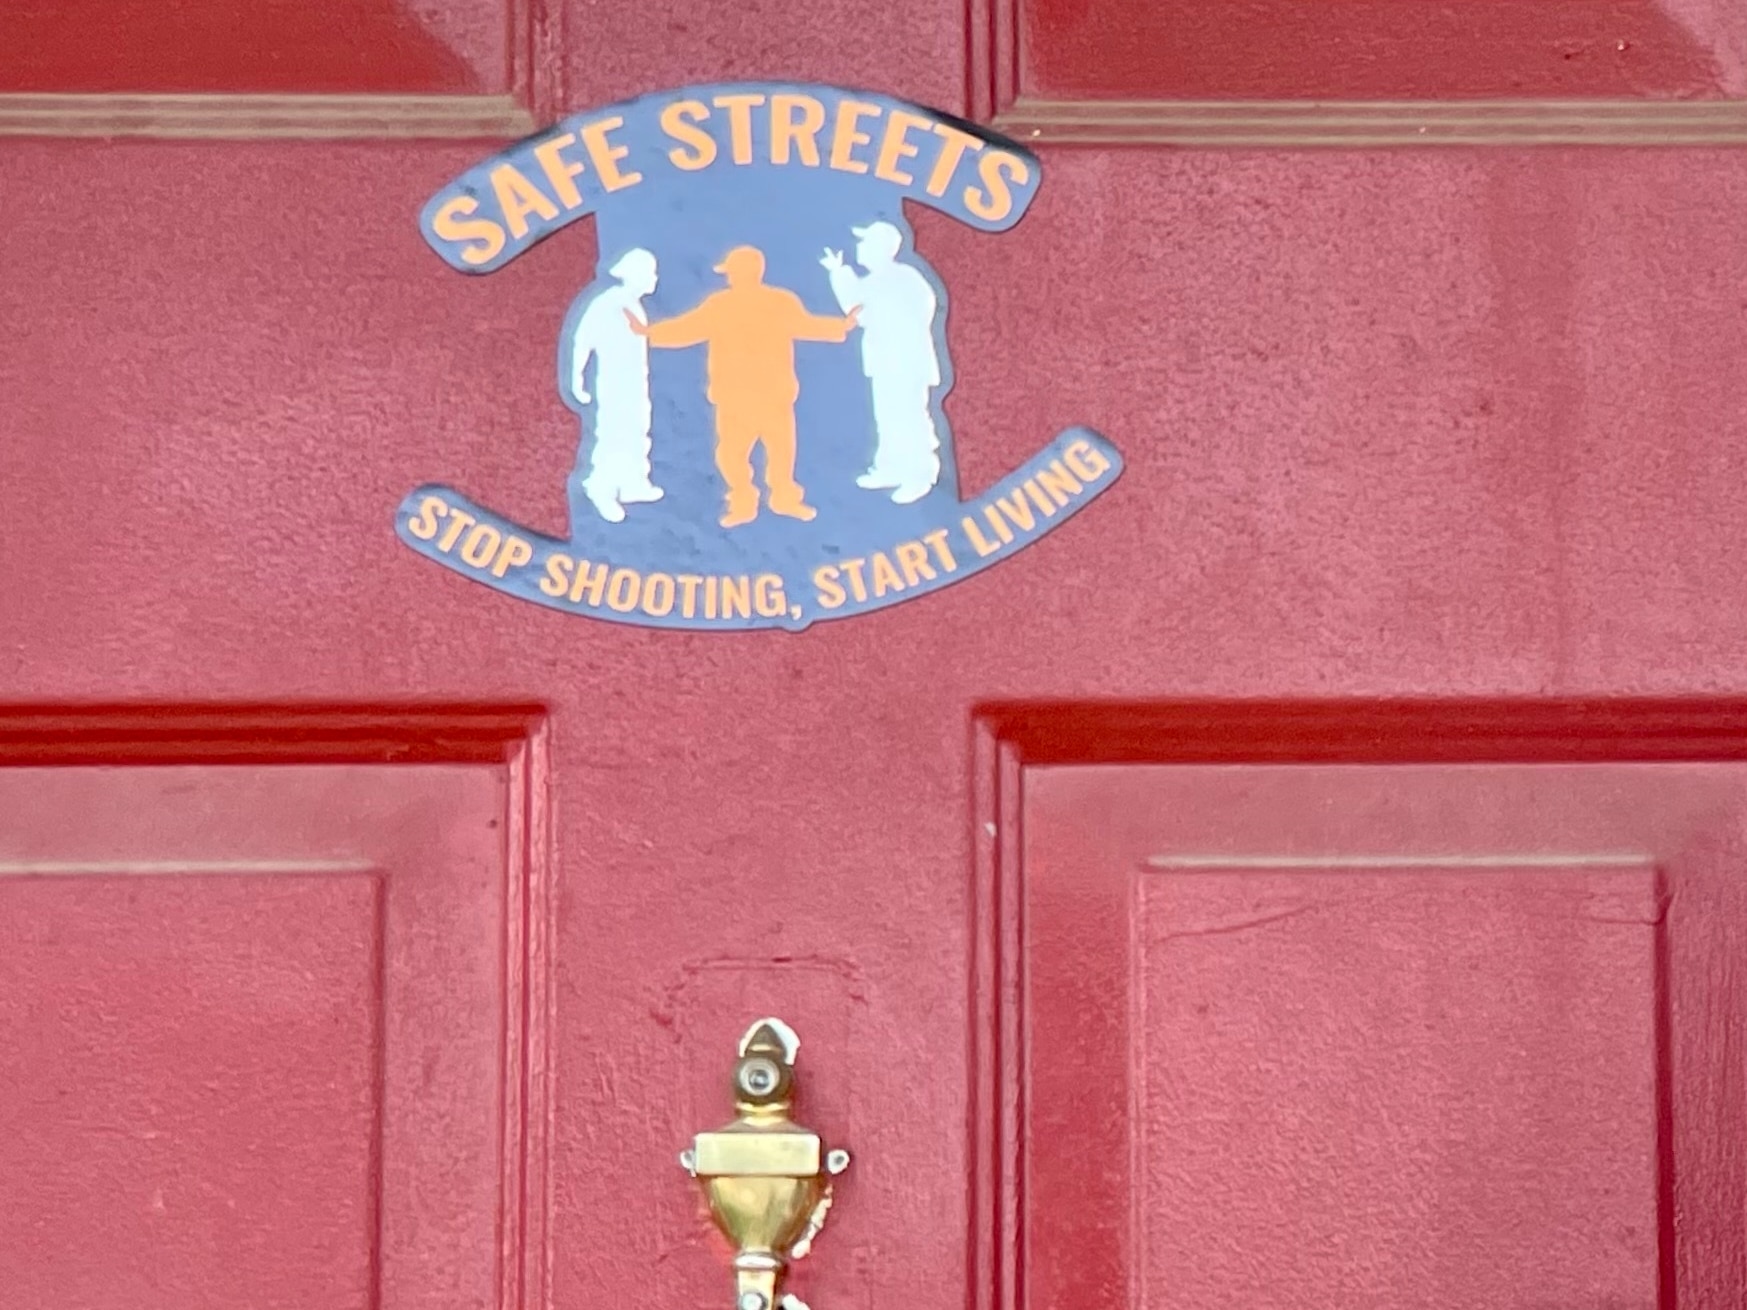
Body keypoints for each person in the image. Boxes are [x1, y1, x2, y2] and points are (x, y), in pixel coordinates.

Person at [627, 246, 858, 528]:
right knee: (756, 452)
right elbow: (807, 325)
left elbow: (686, 329)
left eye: (731, 272)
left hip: (759, 395)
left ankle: (767, 500)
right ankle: (754, 501)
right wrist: (841, 325)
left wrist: (648, 334)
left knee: (755, 453)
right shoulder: (755, 302)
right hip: (750, 395)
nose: (729, 277)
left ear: (739, 273)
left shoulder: (747, 303)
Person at [820, 220, 942, 505]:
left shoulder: (904, 278)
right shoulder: (878, 281)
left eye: (865, 243)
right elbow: (856, 306)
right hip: (886, 362)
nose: (859, 248)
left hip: (906, 362)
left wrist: (893, 328)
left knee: (908, 417)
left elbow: (865, 310)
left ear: (879, 247)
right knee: (888, 417)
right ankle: (890, 468)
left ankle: (920, 476)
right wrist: (838, 271)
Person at [563, 247, 663, 524]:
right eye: (650, 273)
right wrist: (576, 380)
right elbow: (582, 341)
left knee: (636, 430)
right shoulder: (608, 303)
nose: (654, 278)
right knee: (614, 433)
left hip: (634, 383)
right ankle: (601, 488)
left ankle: (633, 483)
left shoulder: (634, 305)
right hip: (613, 383)